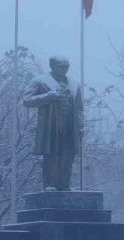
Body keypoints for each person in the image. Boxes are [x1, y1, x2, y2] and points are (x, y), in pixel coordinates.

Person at [22, 56, 83, 191]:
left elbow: (79, 109)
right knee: (51, 155)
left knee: (68, 155)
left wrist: (81, 126)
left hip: (70, 126)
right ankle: (50, 184)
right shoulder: (40, 81)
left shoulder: (74, 84)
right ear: (52, 66)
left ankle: (65, 184)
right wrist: (46, 97)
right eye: (62, 66)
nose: (65, 69)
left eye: (67, 66)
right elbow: (26, 101)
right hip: (51, 125)